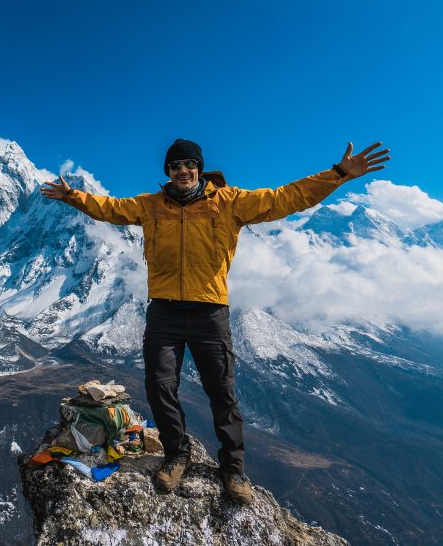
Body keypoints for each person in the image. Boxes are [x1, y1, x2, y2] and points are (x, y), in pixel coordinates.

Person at [40, 139, 389, 503]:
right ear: (168, 172)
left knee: (222, 393)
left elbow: (286, 198)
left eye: (189, 164)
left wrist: (337, 175)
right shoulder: (150, 205)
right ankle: (176, 455)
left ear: (200, 168)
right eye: (176, 166)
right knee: (160, 387)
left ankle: (233, 469)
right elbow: (110, 208)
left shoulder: (230, 202)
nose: (183, 171)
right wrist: (72, 196)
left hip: (210, 311)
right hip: (164, 311)